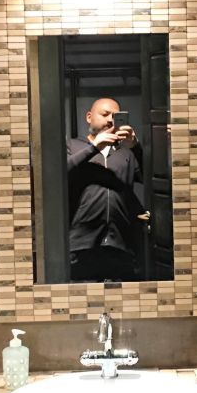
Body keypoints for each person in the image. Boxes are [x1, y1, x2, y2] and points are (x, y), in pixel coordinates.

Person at [66, 97, 145, 282]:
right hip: (82, 243)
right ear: (89, 117)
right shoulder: (72, 146)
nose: (110, 120)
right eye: (105, 114)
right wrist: (94, 148)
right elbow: (59, 175)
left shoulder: (126, 153)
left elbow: (151, 178)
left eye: (115, 116)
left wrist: (135, 146)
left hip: (121, 243)